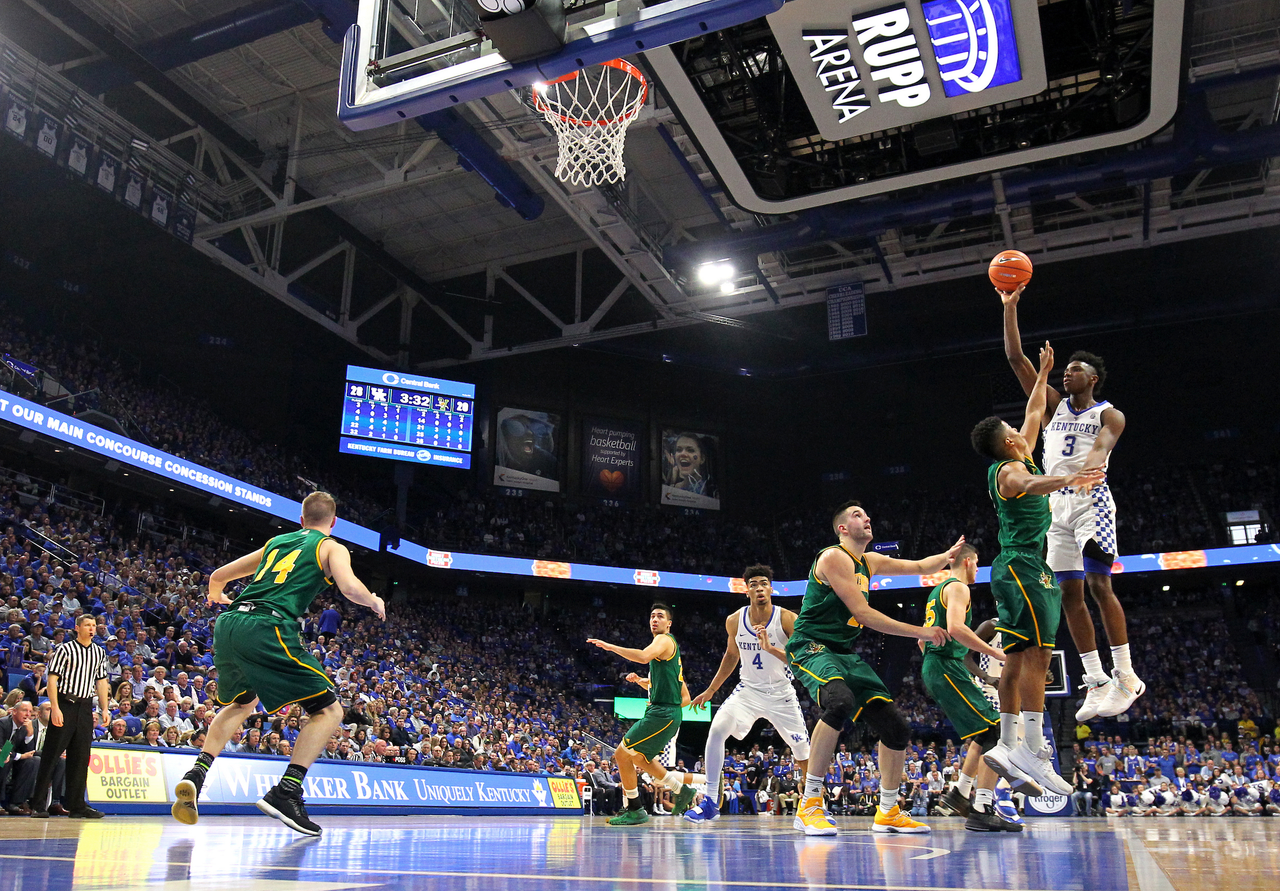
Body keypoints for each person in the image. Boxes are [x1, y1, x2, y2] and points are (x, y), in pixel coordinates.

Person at [169, 492, 385, 837]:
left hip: (228, 624)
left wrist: (214, 592)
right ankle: (287, 791)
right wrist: (373, 600)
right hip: (267, 626)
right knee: (329, 711)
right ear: (332, 523)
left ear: (301, 520)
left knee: (243, 703)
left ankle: (197, 772)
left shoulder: (277, 542)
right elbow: (348, 587)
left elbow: (220, 575)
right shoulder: (331, 546)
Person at [970, 342, 1105, 800]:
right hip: (1023, 565)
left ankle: (1011, 744)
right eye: (1014, 428)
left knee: (1023, 655)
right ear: (1009, 441)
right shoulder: (1010, 470)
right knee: (1036, 658)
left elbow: (1032, 407)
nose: (1022, 425)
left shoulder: (1020, 450)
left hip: (1027, 567)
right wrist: (1071, 478)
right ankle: (1033, 746)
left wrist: (1043, 371)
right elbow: (1029, 484)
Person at [1002, 285, 1143, 719]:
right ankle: (1097, 681)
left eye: (1074, 370)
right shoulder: (1053, 408)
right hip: (1055, 506)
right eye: (1064, 370)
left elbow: (1102, 449)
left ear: (1093, 378)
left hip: (1092, 500)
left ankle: (1126, 675)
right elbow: (1017, 360)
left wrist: (1088, 471)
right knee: (1068, 595)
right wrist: (1010, 309)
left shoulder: (1108, 413)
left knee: (1100, 584)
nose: (1066, 374)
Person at [784, 499, 958, 836]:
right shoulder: (834, 556)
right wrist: (920, 632)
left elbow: (920, 566)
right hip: (812, 644)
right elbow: (864, 614)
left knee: (897, 729)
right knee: (838, 702)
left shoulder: (871, 561)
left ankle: (889, 810)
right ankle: (809, 804)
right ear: (843, 529)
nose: (867, 517)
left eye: (867, 513)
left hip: (844, 652)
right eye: (856, 515)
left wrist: (946, 557)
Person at [684, 564, 811, 827]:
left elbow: (801, 659)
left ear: (771, 589)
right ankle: (709, 802)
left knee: (803, 752)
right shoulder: (734, 620)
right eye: (753, 584)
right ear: (747, 591)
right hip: (748, 691)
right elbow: (731, 655)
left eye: (764, 583)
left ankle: (812, 805)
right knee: (717, 730)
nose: (759, 588)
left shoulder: (787, 618)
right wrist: (711, 690)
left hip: (781, 695)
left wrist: (770, 647)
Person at [917, 544, 1019, 832]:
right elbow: (956, 629)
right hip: (945, 667)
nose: (977, 569)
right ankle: (981, 808)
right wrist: (996, 653)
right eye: (977, 563)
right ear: (969, 561)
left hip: (939, 666)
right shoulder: (959, 588)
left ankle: (961, 795)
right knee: (997, 733)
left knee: (985, 732)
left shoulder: (939, 590)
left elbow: (923, 639)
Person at [586, 603, 703, 826]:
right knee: (640, 759)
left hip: (662, 713)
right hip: (664, 712)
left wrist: (610, 647)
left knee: (621, 755)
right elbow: (684, 695)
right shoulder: (664, 654)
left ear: (669, 624)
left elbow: (641, 656)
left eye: (660, 616)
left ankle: (635, 809)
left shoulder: (663, 641)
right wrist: (645, 683)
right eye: (652, 616)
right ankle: (682, 790)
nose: (655, 619)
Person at [29, 614, 110, 818]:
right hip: (66, 702)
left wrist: (104, 709)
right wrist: (55, 707)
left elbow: (101, 682)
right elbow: (52, 679)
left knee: (81, 757)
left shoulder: (99, 652)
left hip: (85, 707)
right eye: (88, 625)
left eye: (94, 625)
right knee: (51, 754)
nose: (92, 628)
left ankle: (77, 805)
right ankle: (38, 805)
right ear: (77, 628)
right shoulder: (65, 649)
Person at [0, 700, 38, 814]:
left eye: (30, 711)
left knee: (34, 761)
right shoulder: (3, 724)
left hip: (12, 758)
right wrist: (20, 756)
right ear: (14, 711)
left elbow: (28, 752)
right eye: (24, 710)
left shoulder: (25, 727)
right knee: (3, 758)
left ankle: (16, 802)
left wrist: (30, 734)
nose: (28, 714)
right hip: (4, 757)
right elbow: (2, 749)